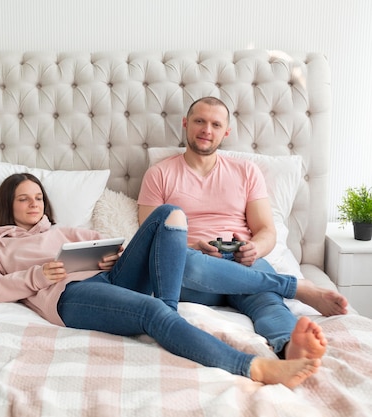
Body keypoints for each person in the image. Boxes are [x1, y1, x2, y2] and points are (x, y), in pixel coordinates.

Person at [0, 172, 323, 389]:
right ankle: (255, 367)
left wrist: (112, 256)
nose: (34, 204)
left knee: (169, 213)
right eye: (24, 199)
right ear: (8, 205)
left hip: (112, 276)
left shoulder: (68, 231)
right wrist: (37, 275)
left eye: (39, 197)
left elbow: (112, 246)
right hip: (72, 295)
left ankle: (168, 311)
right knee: (152, 312)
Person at [137, 96, 348, 361]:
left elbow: (266, 230)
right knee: (192, 265)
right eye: (199, 121)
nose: (206, 130)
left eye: (215, 124)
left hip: (240, 261)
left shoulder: (246, 172)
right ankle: (296, 287)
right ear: (185, 124)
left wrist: (254, 248)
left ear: (225, 132)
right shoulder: (160, 174)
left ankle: (290, 347)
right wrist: (192, 247)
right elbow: (150, 238)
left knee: (269, 303)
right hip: (189, 266)